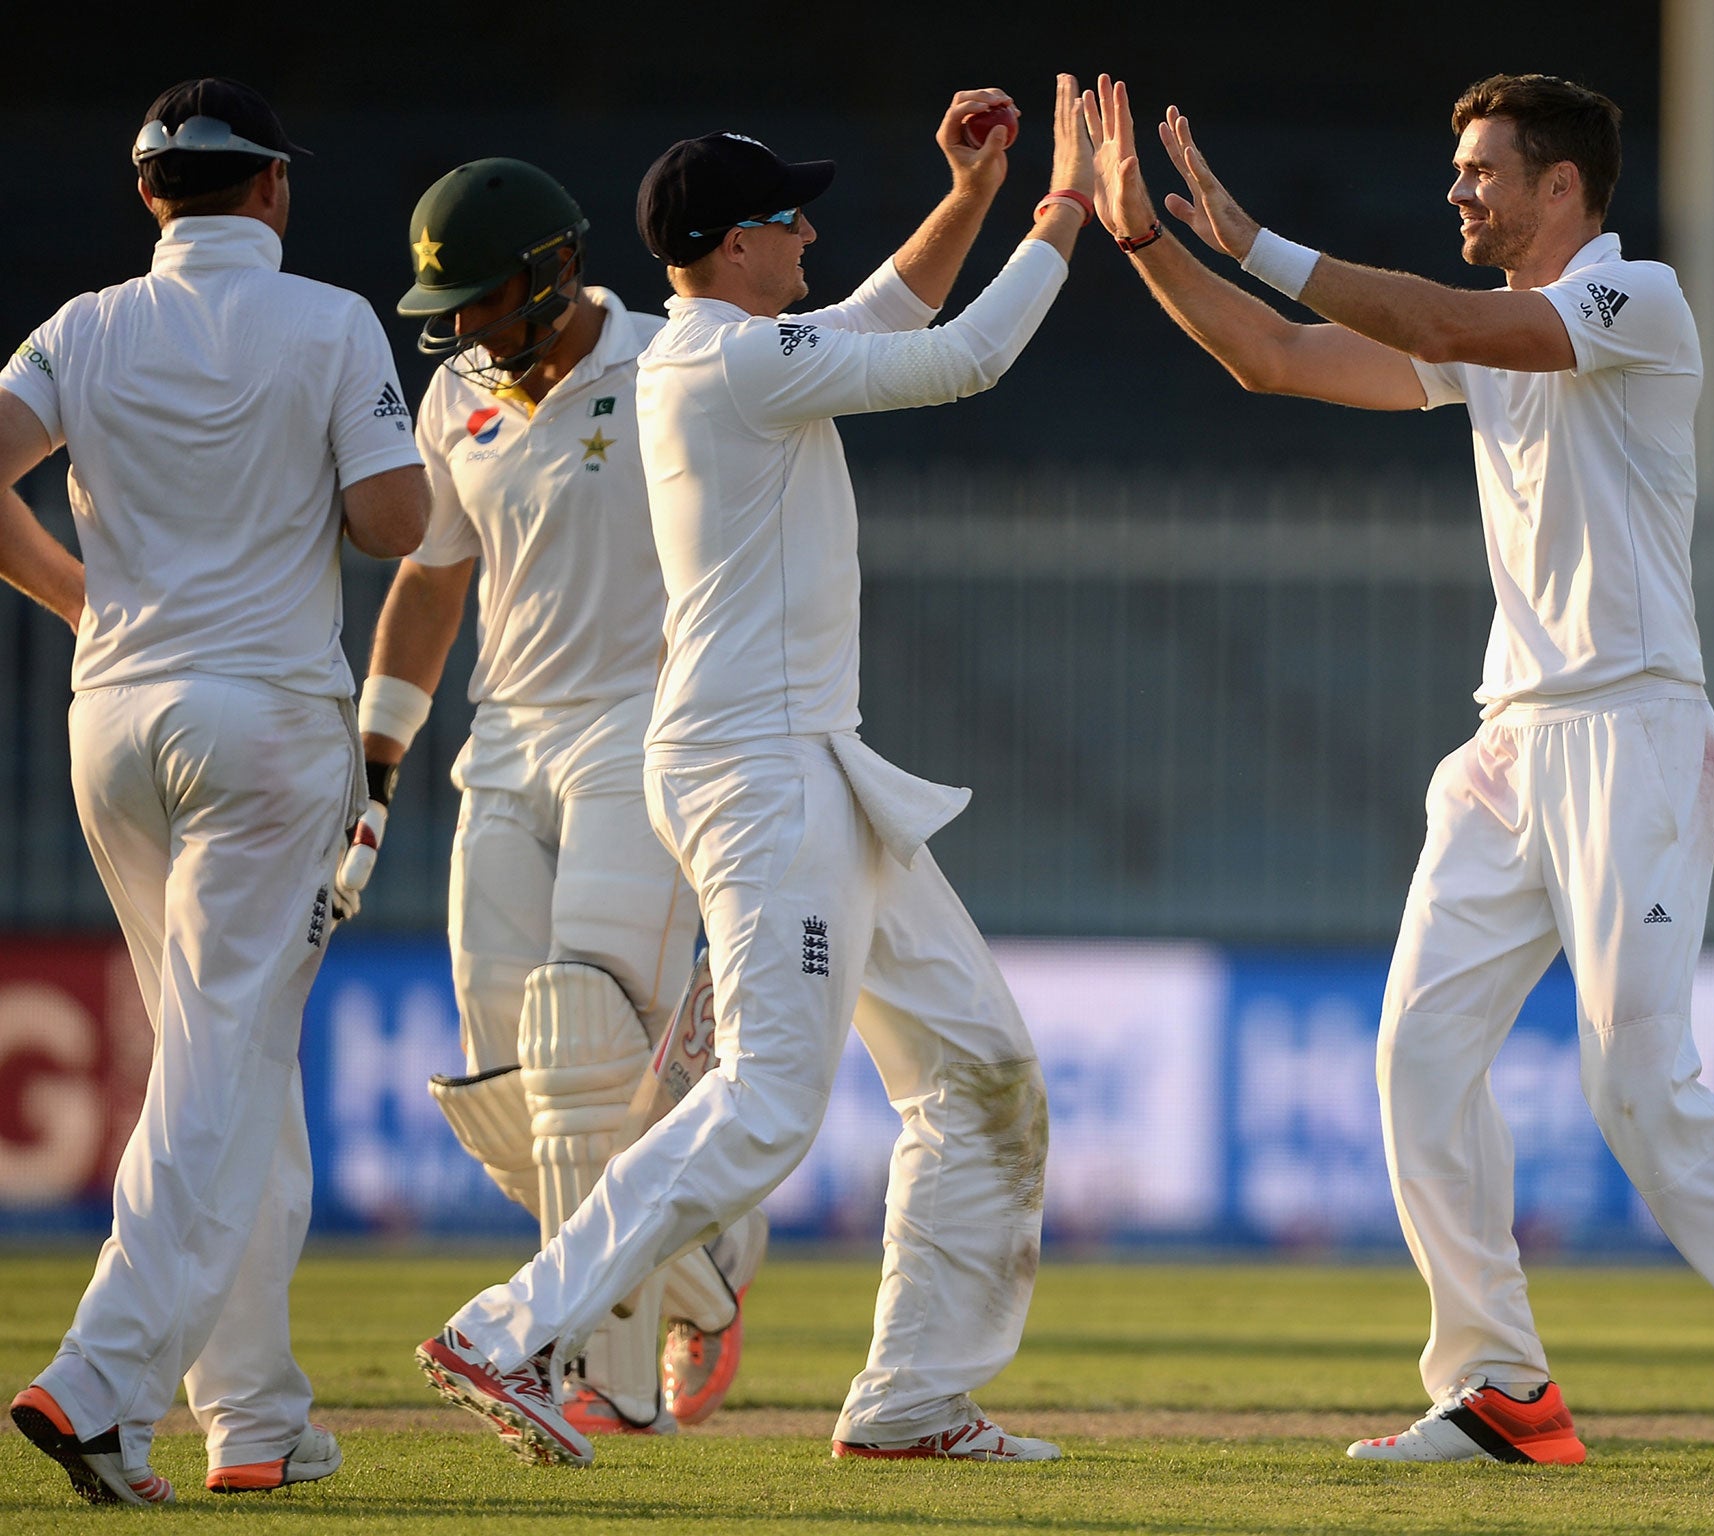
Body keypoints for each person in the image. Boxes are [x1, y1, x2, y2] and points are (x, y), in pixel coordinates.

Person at [1082, 71, 1714, 1471]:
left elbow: (1452, 323)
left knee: (1636, 1090)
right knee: (1414, 1061)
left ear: (1562, 187)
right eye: (1458, 170)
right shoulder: (1504, 335)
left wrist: (1254, 236)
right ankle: (1502, 1385)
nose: (1459, 190)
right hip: (1511, 741)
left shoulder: (1638, 302)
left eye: (1483, 171)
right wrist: (1150, 239)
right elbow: (1275, 360)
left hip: (1635, 728)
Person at [414, 77, 1093, 1467]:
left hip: (807, 763)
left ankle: (910, 1401)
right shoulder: (731, 360)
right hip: (757, 772)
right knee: (770, 1102)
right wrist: (1067, 216)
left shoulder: (731, 349)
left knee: (979, 1073)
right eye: (792, 220)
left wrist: (969, 199)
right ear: (734, 245)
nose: (810, 241)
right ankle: (505, 1330)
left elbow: (889, 318)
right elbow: (964, 361)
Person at [0, 78, 427, 1505]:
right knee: (216, 1066)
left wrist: (83, 602)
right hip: (263, 731)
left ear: (147, 197)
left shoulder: (87, 324)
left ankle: (251, 1418)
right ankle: (100, 1380)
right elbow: (391, 524)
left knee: (232, 1063)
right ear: (275, 190)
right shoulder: (331, 320)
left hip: (113, 720)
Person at [341, 155, 767, 1439]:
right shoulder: (455, 391)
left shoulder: (674, 364)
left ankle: (601, 1384)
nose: (466, 331)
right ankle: (706, 1268)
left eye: (482, 301)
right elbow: (429, 580)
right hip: (505, 741)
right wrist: (377, 762)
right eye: (449, 311)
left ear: (556, 270)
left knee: (583, 1052)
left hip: (641, 736)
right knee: (499, 1087)